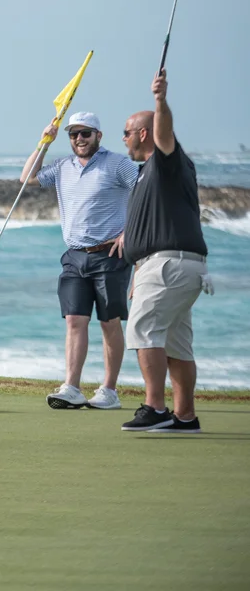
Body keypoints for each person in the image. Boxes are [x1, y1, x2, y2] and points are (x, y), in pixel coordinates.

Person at [21, 111, 140, 411]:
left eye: (85, 133)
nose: (79, 139)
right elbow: (28, 177)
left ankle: (109, 390)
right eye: (73, 134)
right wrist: (44, 142)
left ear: (98, 135)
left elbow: (145, 192)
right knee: (74, 320)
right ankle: (71, 387)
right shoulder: (63, 166)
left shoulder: (117, 163)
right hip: (74, 256)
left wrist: (129, 232)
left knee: (109, 323)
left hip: (110, 255)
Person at [117, 71, 213, 433]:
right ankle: (185, 417)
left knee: (144, 332)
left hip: (168, 266)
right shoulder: (147, 174)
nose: (123, 139)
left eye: (126, 132)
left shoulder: (165, 160)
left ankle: (155, 408)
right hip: (166, 268)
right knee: (177, 345)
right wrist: (137, 271)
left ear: (143, 133)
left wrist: (160, 101)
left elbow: (164, 132)